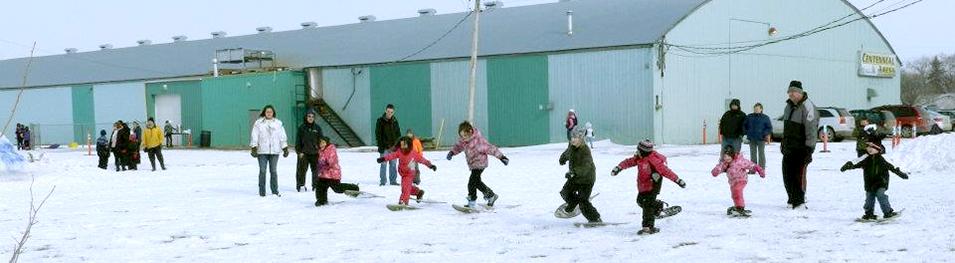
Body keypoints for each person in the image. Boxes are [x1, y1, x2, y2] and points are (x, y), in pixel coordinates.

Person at [611, 139, 686, 235]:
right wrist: (619, 167)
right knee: (640, 201)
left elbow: (666, 171)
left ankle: (648, 227)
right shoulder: (639, 158)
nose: (637, 151)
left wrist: (677, 180)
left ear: (644, 151)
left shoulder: (654, 161)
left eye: (639, 149)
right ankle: (658, 208)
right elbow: (628, 162)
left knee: (647, 206)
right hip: (643, 185)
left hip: (653, 185)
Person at [447, 121, 509, 208]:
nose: (463, 138)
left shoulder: (479, 141)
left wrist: (502, 157)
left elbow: (491, 149)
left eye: (465, 135)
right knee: (477, 182)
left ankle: (472, 201)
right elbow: (458, 147)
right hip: (473, 164)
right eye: (461, 136)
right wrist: (452, 153)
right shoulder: (463, 141)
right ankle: (491, 196)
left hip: (480, 164)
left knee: (471, 183)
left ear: (470, 132)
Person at [840, 142, 909, 220]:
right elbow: (857, 164)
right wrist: (848, 166)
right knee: (869, 198)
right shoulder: (866, 159)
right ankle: (869, 214)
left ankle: (888, 212)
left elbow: (892, 168)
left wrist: (901, 174)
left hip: (881, 182)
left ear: (877, 149)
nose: (869, 149)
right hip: (869, 183)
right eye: (868, 147)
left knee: (881, 195)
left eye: (871, 147)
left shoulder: (882, 160)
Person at [780, 80, 818, 209]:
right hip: (789, 146)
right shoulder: (788, 106)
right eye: (789, 92)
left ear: (800, 92)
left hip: (802, 148)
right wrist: (783, 143)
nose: (791, 94)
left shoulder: (808, 106)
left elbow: (811, 130)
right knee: (787, 174)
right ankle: (792, 198)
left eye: (793, 91)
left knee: (798, 175)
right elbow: (787, 128)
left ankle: (800, 200)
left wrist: (809, 148)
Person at [555, 129, 602, 223]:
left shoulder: (585, 150)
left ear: (581, 139)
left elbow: (586, 166)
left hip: (587, 179)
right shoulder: (572, 146)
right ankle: (573, 203)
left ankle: (595, 219)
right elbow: (568, 152)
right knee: (565, 192)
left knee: (583, 201)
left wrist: (574, 172)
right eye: (572, 137)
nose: (572, 140)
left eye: (575, 138)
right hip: (575, 177)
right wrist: (562, 158)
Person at [377, 136, 436, 205]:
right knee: (406, 187)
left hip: (410, 173)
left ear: (409, 145)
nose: (403, 147)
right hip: (403, 173)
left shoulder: (413, 153)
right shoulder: (399, 152)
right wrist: (383, 159)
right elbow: (392, 156)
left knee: (405, 188)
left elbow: (423, 160)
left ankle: (403, 201)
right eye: (401, 145)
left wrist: (430, 165)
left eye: (404, 145)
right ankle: (418, 192)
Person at [711, 145, 765, 217]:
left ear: (732, 155)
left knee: (737, 191)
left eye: (728, 156)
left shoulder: (740, 161)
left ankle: (740, 207)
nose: (727, 158)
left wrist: (760, 170)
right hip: (733, 182)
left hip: (741, 179)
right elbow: (719, 168)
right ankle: (737, 206)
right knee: (734, 195)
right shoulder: (725, 163)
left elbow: (752, 165)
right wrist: (716, 171)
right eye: (725, 156)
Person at [250, 105, 289, 197]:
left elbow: (282, 136)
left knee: (273, 171)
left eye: (271, 112)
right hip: (262, 151)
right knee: (262, 171)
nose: (269, 113)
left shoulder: (278, 123)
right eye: (267, 112)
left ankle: (275, 191)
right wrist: (254, 147)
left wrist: (285, 148)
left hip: (274, 151)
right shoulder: (258, 123)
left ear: (273, 113)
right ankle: (262, 192)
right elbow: (254, 135)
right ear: (264, 112)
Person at [314, 136, 360, 206]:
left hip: (332, 173)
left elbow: (332, 161)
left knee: (337, 189)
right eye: (320, 143)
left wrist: (323, 165)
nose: (322, 144)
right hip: (323, 174)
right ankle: (321, 200)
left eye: (323, 142)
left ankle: (354, 188)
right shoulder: (320, 151)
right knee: (320, 187)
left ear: (327, 143)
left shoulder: (331, 149)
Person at [296, 109, 323, 192]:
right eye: (309, 116)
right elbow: (298, 141)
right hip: (304, 153)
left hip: (315, 153)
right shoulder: (301, 128)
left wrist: (321, 151)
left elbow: (321, 140)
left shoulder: (317, 128)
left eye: (312, 116)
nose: (311, 118)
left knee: (316, 171)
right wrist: (299, 152)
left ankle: (315, 186)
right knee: (301, 170)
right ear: (306, 117)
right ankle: (301, 186)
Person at [375, 104, 401, 186]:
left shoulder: (395, 121)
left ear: (393, 112)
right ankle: (383, 181)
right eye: (388, 111)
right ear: (385, 111)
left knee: (393, 164)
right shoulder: (380, 121)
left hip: (393, 148)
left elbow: (398, 134)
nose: (389, 113)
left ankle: (393, 181)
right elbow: (378, 134)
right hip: (384, 147)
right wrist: (380, 146)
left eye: (391, 112)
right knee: (383, 164)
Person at [742, 102, 772, 170]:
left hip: (761, 139)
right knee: (753, 154)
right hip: (752, 138)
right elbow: (744, 125)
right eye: (755, 109)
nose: (756, 110)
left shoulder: (765, 117)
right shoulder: (749, 116)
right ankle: (753, 169)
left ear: (761, 109)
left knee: (761, 154)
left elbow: (769, 128)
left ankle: (761, 169)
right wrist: (746, 132)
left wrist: (764, 133)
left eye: (757, 109)